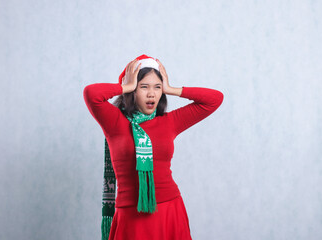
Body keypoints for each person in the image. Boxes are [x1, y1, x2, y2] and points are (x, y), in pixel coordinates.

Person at [83, 54, 224, 240]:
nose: (152, 93)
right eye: (143, 87)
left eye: (157, 87)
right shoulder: (114, 121)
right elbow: (91, 94)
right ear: (132, 90)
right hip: (131, 215)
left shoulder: (169, 122)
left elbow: (214, 99)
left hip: (169, 211)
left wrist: (171, 89)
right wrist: (126, 86)